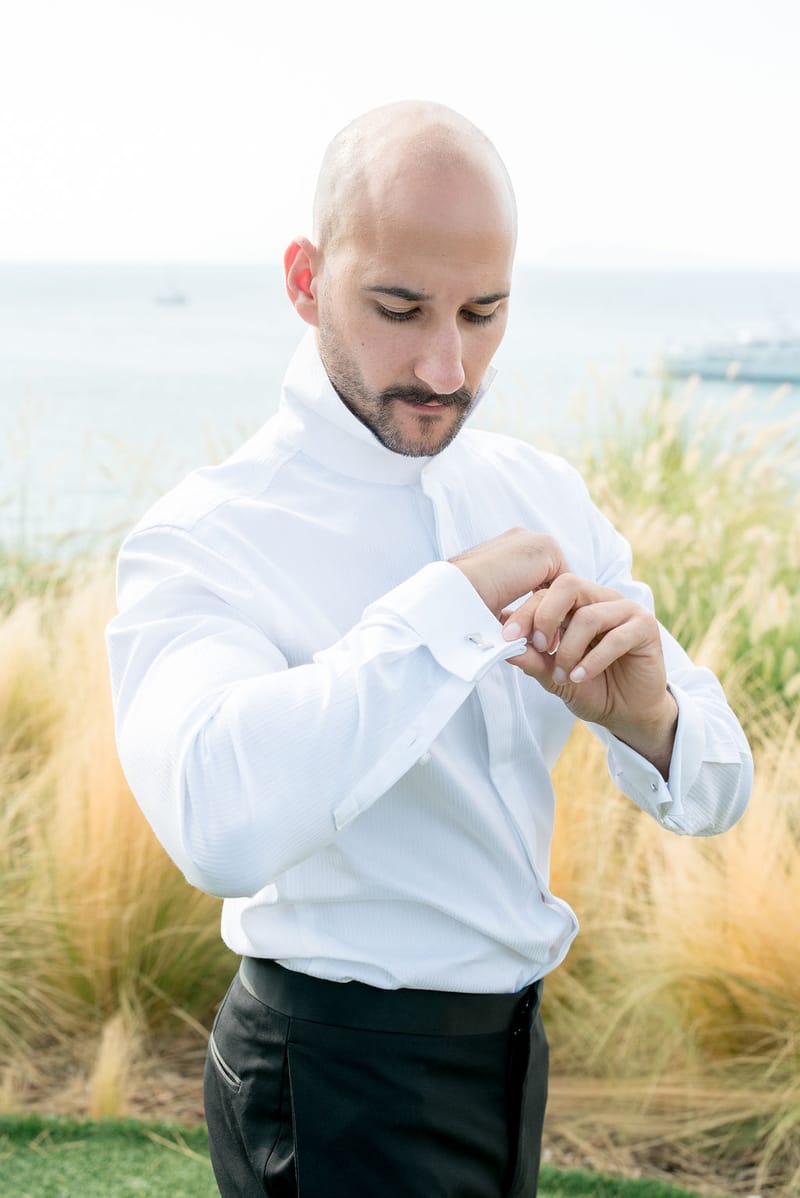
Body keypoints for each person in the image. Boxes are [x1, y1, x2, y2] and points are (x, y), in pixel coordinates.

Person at [106, 100, 752, 1198]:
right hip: (329, 1072)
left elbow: (716, 787)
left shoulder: (539, 494)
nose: (447, 367)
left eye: (483, 313)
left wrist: (648, 716)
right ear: (306, 280)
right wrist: (444, 609)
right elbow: (217, 824)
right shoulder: (206, 535)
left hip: (507, 1058)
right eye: (399, 309)